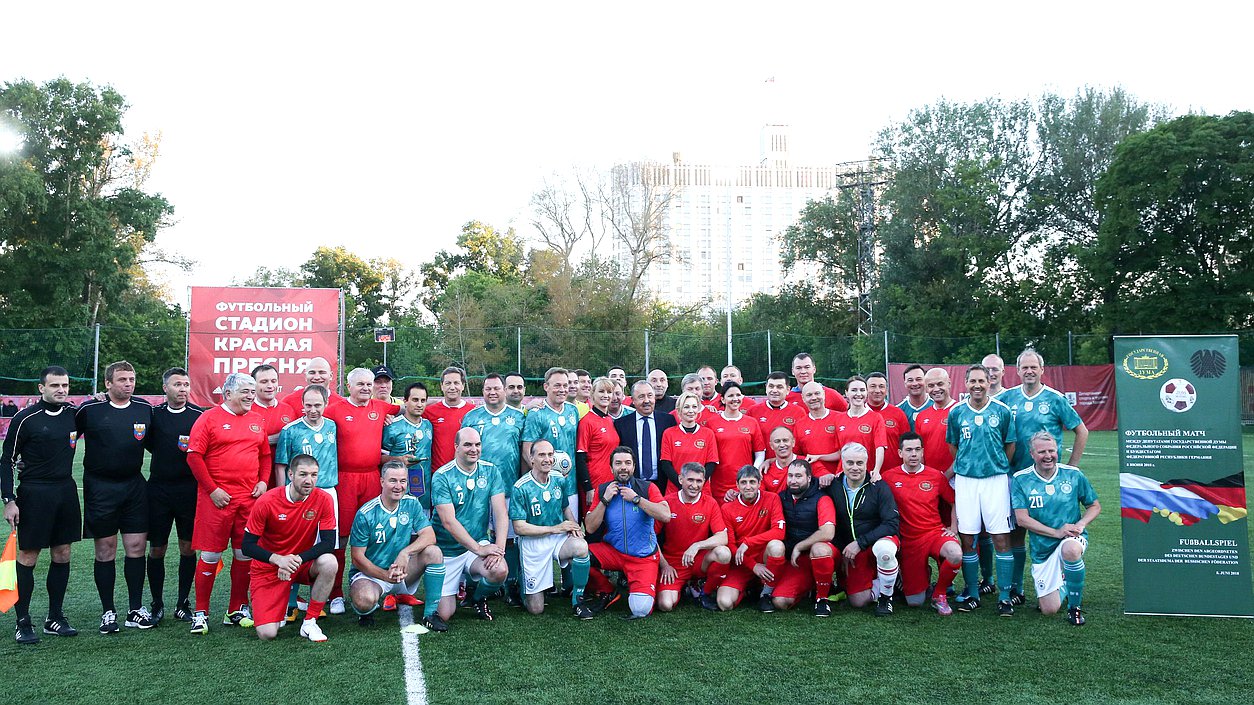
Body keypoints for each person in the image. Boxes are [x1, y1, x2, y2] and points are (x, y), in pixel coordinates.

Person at [998, 347, 1090, 605]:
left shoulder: (1055, 398)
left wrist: (1070, 468)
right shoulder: (1007, 398)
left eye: (1033, 367)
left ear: (1041, 370)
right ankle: (1016, 588)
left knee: (1055, 532)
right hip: (1016, 479)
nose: (1028, 371)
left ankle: (1060, 577)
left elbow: (1081, 431)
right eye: (1024, 367)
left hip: (1049, 479)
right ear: (1017, 371)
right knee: (1016, 532)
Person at [187, 372, 272, 634]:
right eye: (245, 391)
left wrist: (263, 482)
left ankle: (236, 609)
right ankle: (201, 612)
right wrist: (212, 490)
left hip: (249, 500)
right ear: (227, 394)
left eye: (252, 391)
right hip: (217, 501)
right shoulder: (208, 418)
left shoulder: (257, 420)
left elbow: (265, 456)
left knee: (244, 553)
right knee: (211, 554)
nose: (250, 396)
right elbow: (194, 457)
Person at [2, 366, 81, 644]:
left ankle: (55, 618)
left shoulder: (73, 414)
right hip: (34, 493)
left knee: (62, 553)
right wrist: (9, 500)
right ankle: (22, 621)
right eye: (55, 385)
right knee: (29, 556)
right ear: (41, 388)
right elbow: (6, 460)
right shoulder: (25, 418)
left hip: (66, 491)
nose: (61, 390)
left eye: (65, 385)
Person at [75, 360, 156, 632]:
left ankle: (135, 609)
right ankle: (108, 611)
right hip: (100, 488)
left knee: (136, 548)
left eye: (131, 379)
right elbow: (65, 435)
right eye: (122, 380)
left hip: (134, 486)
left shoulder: (144, 409)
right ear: (108, 383)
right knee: (105, 549)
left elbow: (160, 443)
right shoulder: (90, 409)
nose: (128, 384)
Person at [324, 367, 401, 613]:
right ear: (349, 386)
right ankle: (335, 592)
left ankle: (380, 585)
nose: (367, 388)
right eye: (361, 384)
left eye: (369, 384)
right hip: (344, 480)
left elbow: (411, 407)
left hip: (371, 478)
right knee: (342, 537)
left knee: (378, 532)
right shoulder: (334, 410)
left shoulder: (380, 407)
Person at [946, 364, 1017, 615]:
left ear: (989, 383)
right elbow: (953, 446)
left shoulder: (1002, 411)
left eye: (982, 381)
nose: (977, 385)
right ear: (965, 384)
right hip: (966, 482)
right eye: (972, 381)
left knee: (1000, 537)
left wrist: (995, 465)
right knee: (968, 538)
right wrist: (967, 465)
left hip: (996, 480)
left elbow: (1010, 445)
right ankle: (973, 592)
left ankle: (1006, 597)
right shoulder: (956, 413)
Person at [243, 454, 337, 642]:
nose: (309, 480)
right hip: (269, 568)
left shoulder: (324, 499)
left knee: (329, 562)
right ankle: (281, 604)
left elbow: (328, 542)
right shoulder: (267, 501)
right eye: (303, 474)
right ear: (290, 474)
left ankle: (310, 621)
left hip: (300, 563)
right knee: (267, 634)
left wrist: (296, 560)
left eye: (313, 475)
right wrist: (279, 560)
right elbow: (247, 546)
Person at [1011, 432, 1101, 625]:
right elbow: (1022, 519)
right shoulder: (1020, 479)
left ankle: (1074, 609)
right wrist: (1055, 532)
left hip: (1071, 539)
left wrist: (1081, 524)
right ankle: (1066, 581)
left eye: (1052, 450)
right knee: (1049, 610)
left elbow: (1094, 505)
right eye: (1042, 452)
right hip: (1043, 549)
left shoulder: (1073, 474)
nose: (1048, 455)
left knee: (1070, 549)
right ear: (1032, 454)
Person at [350, 461, 448, 632]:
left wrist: (406, 552)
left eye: (403, 481)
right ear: (382, 482)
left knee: (434, 552)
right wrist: (385, 576)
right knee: (363, 600)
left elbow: (430, 535)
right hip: (373, 575)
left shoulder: (412, 504)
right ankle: (367, 612)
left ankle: (431, 614)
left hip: (403, 571)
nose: (398, 486)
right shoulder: (366, 513)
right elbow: (357, 558)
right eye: (393, 481)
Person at [273, 384, 340, 620]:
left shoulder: (332, 426)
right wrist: (284, 495)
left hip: (327, 493)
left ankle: (316, 601)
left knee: (323, 547)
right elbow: (281, 464)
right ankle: (290, 603)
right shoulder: (291, 430)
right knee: (295, 545)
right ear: (302, 405)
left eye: (318, 405)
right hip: (299, 495)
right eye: (308, 405)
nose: (313, 410)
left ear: (325, 404)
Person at [144, 367, 204, 623]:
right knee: (157, 548)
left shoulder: (199, 416)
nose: (183, 389)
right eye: (177, 385)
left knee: (188, 548)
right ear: (165, 388)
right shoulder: (153, 415)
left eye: (186, 384)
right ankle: (157, 603)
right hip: (158, 490)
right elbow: (146, 442)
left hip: (189, 490)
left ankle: (182, 602)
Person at [430, 428, 509, 622]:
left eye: (477, 444)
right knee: (445, 614)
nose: (473, 449)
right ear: (456, 447)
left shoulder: (490, 470)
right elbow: (448, 522)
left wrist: (498, 550)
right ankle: (457, 585)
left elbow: (501, 513)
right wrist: (479, 549)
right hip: (447, 549)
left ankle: (478, 597)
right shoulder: (442, 476)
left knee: (500, 570)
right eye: (467, 445)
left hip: (477, 543)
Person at [583, 447, 671, 619]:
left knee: (640, 610)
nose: (623, 467)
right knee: (575, 554)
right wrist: (605, 500)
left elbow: (666, 515)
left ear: (633, 467)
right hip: (614, 552)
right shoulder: (603, 490)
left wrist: (636, 499)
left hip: (642, 558)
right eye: (618, 463)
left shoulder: (647, 488)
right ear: (611, 468)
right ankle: (607, 589)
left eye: (627, 463)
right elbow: (590, 528)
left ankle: (640, 583)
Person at [509, 441, 592, 617]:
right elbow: (519, 528)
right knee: (536, 609)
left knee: (581, 547)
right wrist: (555, 528)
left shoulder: (558, 479)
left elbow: (565, 508)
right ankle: (523, 585)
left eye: (550, 455)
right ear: (531, 458)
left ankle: (578, 600)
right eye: (541, 455)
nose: (547, 459)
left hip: (557, 539)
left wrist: (574, 526)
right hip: (533, 545)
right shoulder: (520, 487)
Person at [462, 373, 526, 602]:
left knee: (508, 538)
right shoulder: (471, 417)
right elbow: (461, 451)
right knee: (476, 535)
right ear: (483, 392)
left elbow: (524, 454)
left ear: (504, 391)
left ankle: (510, 585)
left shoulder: (519, 417)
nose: (492, 392)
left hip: (508, 488)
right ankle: (472, 585)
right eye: (488, 389)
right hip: (477, 491)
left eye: (496, 388)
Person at [882, 432, 962, 615]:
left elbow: (953, 501)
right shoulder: (889, 477)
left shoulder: (935, 476)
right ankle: (920, 576)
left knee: (955, 554)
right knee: (914, 601)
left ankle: (939, 595)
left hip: (934, 533)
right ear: (900, 453)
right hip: (909, 541)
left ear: (923, 452)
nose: (914, 454)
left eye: (917, 450)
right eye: (909, 450)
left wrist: (953, 528)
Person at [831, 443, 900, 616]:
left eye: (860, 463)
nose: (855, 468)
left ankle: (886, 597)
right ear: (843, 463)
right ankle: (889, 577)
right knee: (858, 601)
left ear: (867, 464)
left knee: (884, 552)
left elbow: (891, 523)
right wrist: (845, 549)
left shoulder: (879, 486)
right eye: (850, 463)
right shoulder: (834, 486)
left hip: (878, 541)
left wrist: (859, 543)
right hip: (854, 550)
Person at [656, 463, 731, 612]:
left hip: (698, 560)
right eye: (690, 480)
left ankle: (704, 590)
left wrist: (697, 545)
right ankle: (684, 587)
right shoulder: (667, 502)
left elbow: (723, 537)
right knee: (665, 605)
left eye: (699, 481)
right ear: (680, 479)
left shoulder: (710, 502)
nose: (694, 485)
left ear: (704, 481)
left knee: (723, 553)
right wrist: (664, 565)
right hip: (674, 563)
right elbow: (650, 536)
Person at [770, 459, 837, 616]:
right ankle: (810, 586)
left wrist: (799, 546)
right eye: (790, 475)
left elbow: (828, 532)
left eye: (798, 476)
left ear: (809, 478)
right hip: (797, 562)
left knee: (819, 548)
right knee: (780, 601)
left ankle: (822, 599)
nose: (793, 480)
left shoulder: (822, 498)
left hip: (823, 554)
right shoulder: (781, 497)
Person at [716, 465, 785, 612]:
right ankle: (749, 589)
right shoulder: (727, 508)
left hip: (765, 558)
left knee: (777, 546)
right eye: (744, 482)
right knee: (724, 603)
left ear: (759, 483)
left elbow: (779, 532)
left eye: (752, 482)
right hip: (743, 562)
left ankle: (765, 593)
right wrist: (753, 566)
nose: (748, 487)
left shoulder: (772, 499)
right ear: (737, 485)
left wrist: (748, 542)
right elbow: (731, 545)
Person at [706, 382, 765, 502]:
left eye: (738, 395)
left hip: (745, 483)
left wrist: (750, 474)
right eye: (730, 396)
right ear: (722, 399)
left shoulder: (751, 422)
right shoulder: (712, 422)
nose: (735, 399)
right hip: (719, 484)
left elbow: (760, 453)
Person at [614, 380, 677, 492]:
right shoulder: (621, 424)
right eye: (641, 397)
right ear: (633, 400)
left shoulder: (668, 421)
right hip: (633, 484)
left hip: (663, 483)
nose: (646, 401)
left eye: (650, 396)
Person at [381, 382, 434, 508]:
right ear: (405, 401)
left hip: (424, 493)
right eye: (415, 400)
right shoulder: (392, 426)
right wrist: (399, 460)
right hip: (398, 491)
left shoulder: (428, 425)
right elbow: (379, 458)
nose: (419, 404)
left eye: (423, 400)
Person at [577, 377, 621, 512]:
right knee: (594, 526)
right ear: (592, 394)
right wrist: (588, 488)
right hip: (594, 483)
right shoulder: (586, 422)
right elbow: (580, 458)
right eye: (601, 391)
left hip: (611, 481)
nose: (606, 395)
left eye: (609, 392)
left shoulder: (609, 420)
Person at [659, 392, 720, 491]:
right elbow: (666, 464)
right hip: (675, 490)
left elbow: (711, 463)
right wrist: (682, 486)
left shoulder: (708, 434)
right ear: (679, 410)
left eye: (694, 407)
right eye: (686, 407)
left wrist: (697, 485)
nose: (691, 411)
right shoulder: (669, 433)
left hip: (700, 490)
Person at [832, 376, 888, 481]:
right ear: (846, 393)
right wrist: (819, 456)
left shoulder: (875, 418)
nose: (858, 394)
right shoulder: (839, 418)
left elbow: (880, 447)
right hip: (844, 475)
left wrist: (876, 471)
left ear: (866, 392)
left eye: (862, 390)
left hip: (866, 475)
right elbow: (839, 452)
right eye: (854, 390)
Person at [423, 366, 477, 471]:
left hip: (466, 473)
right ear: (442, 386)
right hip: (439, 474)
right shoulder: (429, 411)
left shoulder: (473, 412)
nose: (452, 387)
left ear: (463, 386)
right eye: (448, 383)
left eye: (456, 383)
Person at [793, 381, 841, 485]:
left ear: (824, 394)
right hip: (813, 481)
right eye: (809, 395)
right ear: (803, 398)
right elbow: (797, 455)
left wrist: (819, 456)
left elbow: (845, 452)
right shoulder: (800, 424)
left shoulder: (840, 418)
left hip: (839, 478)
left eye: (817, 393)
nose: (814, 398)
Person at [866, 372, 908, 471]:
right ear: (866, 389)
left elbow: (906, 444)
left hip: (892, 473)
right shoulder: (858, 413)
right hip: (863, 473)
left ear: (887, 390)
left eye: (881, 386)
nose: (877, 390)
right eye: (873, 386)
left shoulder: (898, 414)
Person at [279, 357, 346, 413]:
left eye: (322, 372)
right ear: (305, 376)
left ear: (331, 376)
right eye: (312, 372)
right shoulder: (289, 401)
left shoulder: (341, 404)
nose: (317, 377)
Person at [249, 364, 293, 446]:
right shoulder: (246, 410)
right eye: (264, 382)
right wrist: (275, 439)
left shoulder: (288, 409)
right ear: (253, 384)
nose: (270, 386)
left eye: (273, 381)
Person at [752, 372, 804, 437]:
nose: (774, 390)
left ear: (788, 390)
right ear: (766, 388)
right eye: (771, 386)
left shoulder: (798, 412)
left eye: (779, 387)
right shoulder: (753, 411)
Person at [758, 426, 797, 496]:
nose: (782, 445)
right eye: (777, 441)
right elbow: (761, 498)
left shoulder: (807, 463)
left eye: (785, 440)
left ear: (793, 442)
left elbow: (822, 478)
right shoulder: (765, 471)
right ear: (771, 445)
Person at [897, 364, 930, 430]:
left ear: (926, 381)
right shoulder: (898, 410)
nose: (915, 384)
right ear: (905, 384)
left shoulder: (935, 406)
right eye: (910, 380)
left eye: (918, 379)